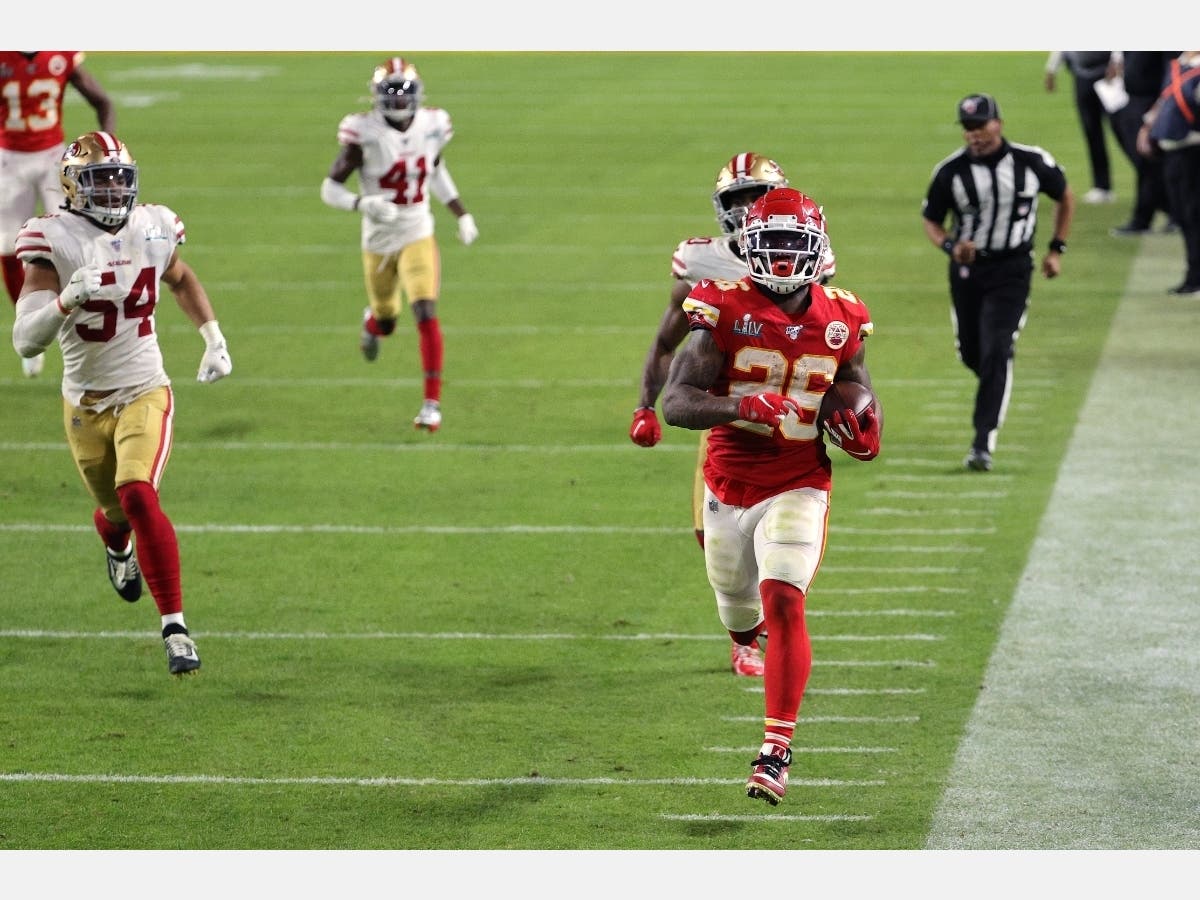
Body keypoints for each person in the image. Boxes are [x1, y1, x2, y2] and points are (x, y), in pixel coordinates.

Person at [660, 187, 881, 806]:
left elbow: (858, 386)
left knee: (784, 597)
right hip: (729, 480)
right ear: (750, 247)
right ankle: (741, 639)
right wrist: (737, 405)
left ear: (817, 247)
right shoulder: (722, 307)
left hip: (800, 478)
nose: (783, 257)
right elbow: (677, 403)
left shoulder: (844, 316)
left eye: (794, 243)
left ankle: (776, 749)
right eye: (772, 243)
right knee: (737, 605)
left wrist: (866, 430)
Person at [11, 131, 232, 676]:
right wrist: (67, 299)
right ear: (71, 186)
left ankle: (175, 627)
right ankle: (116, 547)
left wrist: (213, 336)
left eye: (119, 178)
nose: (112, 190)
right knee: (114, 513)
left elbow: (179, 278)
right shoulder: (51, 238)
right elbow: (24, 341)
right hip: (84, 403)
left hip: (144, 388)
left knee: (137, 494)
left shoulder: (153, 227)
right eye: (99, 179)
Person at [629, 152, 836, 679]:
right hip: (730, 415)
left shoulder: (813, 256)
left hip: (792, 417)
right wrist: (644, 405)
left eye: (757, 197)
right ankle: (743, 635)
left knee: (784, 542)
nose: (747, 208)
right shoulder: (701, 261)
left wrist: (839, 408)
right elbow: (665, 341)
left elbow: (827, 331)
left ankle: (770, 617)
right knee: (712, 534)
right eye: (737, 199)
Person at [320, 56, 478, 434]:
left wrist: (461, 212)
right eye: (391, 93)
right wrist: (362, 204)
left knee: (425, 310)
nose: (398, 100)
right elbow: (329, 187)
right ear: (377, 96)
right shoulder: (364, 132)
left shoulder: (432, 125)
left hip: (418, 230)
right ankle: (372, 325)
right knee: (388, 318)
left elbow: (435, 170)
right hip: (378, 238)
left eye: (404, 92)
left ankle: (431, 404)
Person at [921, 93, 1075, 473]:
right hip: (968, 273)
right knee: (974, 353)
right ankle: (995, 373)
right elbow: (932, 220)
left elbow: (1065, 196)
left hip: (1013, 269)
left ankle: (982, 441)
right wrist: (952, 246)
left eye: (981, 125)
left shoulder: (1031, 161)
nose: (976, 134)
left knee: (997, 349)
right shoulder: (950, 172)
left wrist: (1056, 249)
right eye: (969, 128)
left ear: (998, 123)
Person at [0, 50, 115, 377]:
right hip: (8, 159)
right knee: (8, 250)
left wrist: (108, 146)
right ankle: (29, 324)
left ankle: (86, 324)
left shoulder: (60, 54)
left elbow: (103, 101)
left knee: (74, 243)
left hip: (53, 160)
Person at [1138, 51, 1200, 296]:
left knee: (1193, 215)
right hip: (1173, 150)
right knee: (1184, 214)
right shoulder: (1180, 66)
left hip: (1193, 151)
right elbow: (1165, 99)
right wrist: (1148, 126)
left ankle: (1196, 278)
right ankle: (1192, 275)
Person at [1108, 51, 1179, 236]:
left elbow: (1170, 71)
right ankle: (1166, 212)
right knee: (1146, 163)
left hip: (1151, 102)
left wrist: (1159, 108)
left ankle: (1148, 217)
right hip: (1132, 100)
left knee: (1151, 162)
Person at [1044, 51, 1117, 204]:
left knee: (1124, 131)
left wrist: (1116, 62)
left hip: (1108, 76)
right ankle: (1102, 186)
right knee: (1092, 132)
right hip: (1082, 77)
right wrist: (1051, 69)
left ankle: (1151, 185)